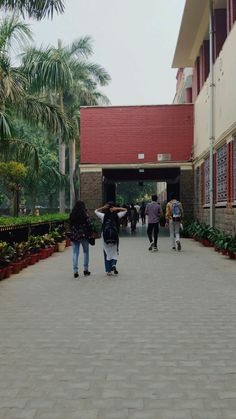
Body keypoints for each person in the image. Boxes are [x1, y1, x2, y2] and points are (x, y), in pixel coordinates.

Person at [95, 202, 127, 277]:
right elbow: (125, 210)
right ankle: (113, 264)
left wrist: (103, 207)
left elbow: (95, 211)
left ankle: (108, 271)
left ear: (107, 208)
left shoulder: (103, 216)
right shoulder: (117, 215)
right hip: (114, 236)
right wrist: (118, 208)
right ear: (114, 208)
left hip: (105, 237)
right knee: (115, 252)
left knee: (106, 252)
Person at [69, 200, 93, 278]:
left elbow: (70, 225)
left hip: (75, 235)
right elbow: (89, 224)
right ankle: (85, 270)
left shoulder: (72, 214)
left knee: (75, 252)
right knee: (86, 252)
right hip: (84, 235)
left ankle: (75, 271)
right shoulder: (84, 214)